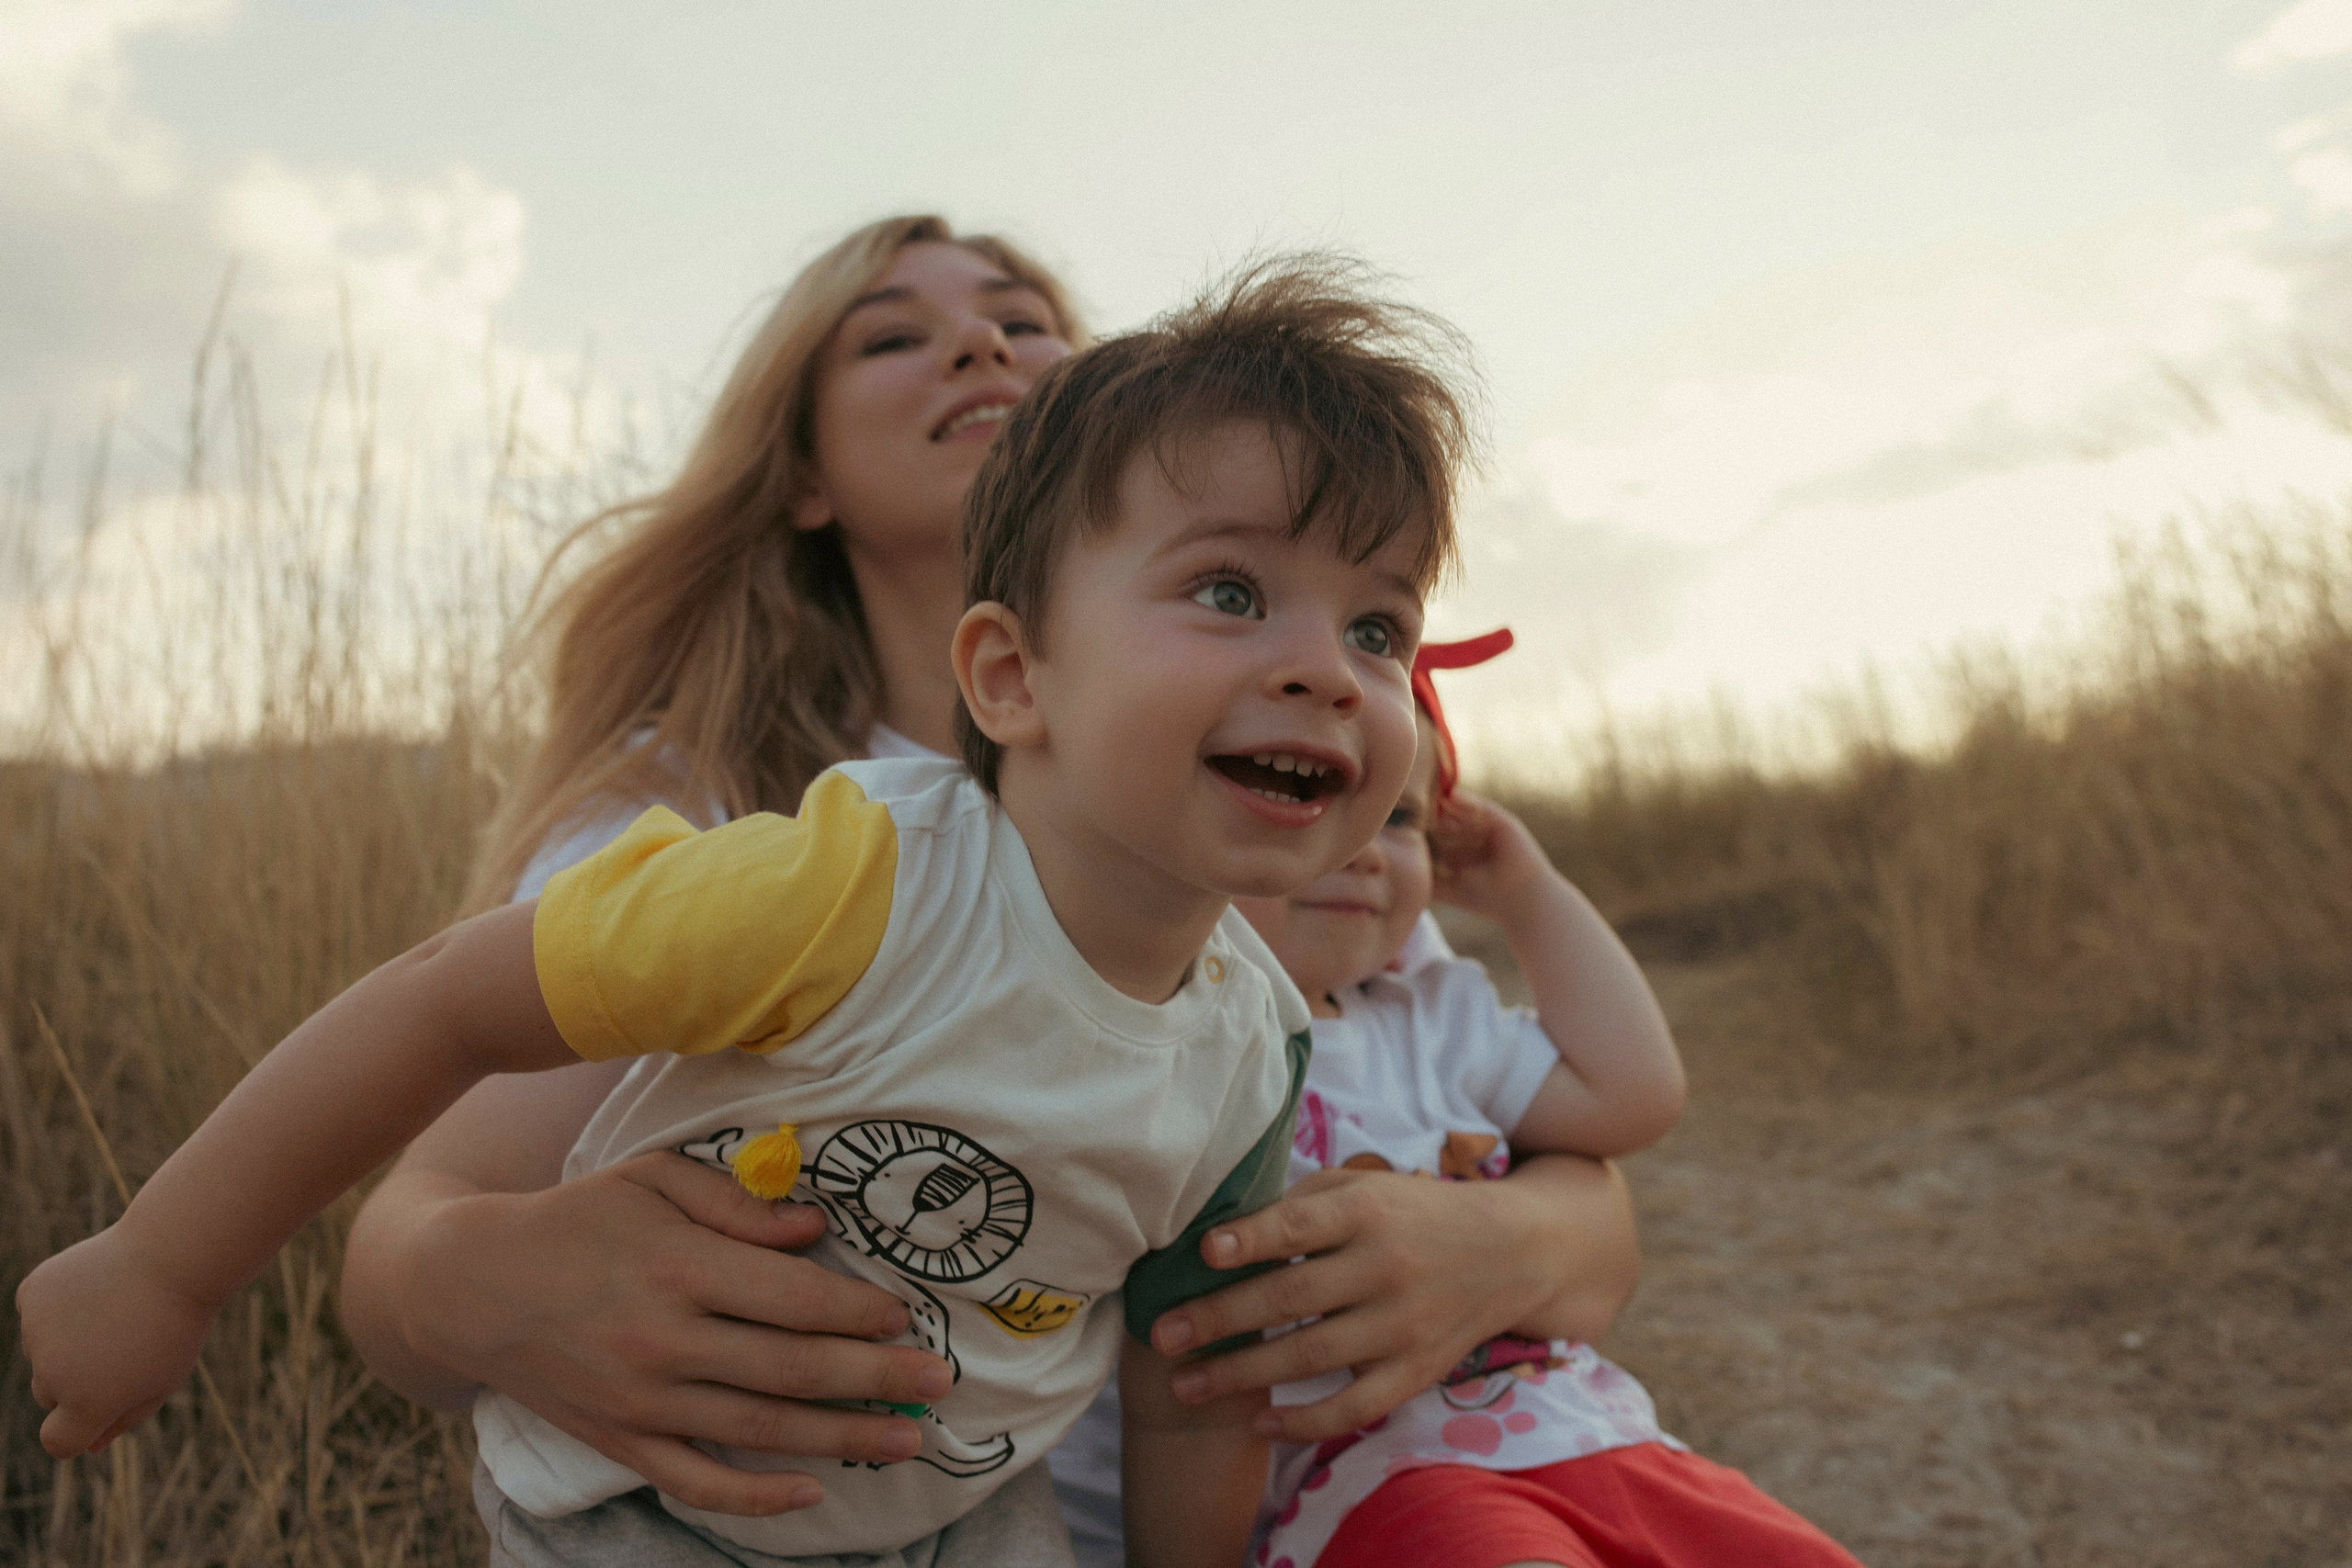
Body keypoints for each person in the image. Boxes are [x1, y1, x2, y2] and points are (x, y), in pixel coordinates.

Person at [17, 258, 1465, 1568]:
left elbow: (1188, 1382)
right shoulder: (830, 874)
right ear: (1013, 674)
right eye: (1230, 588)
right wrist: (162, 1265)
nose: (1329, 669)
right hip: (648, 1507)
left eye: (1378, 627)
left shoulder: (1254, 1038)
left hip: (965, 1509)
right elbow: (449, 1000)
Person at [326, 217, 1639, 1556]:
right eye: (895, 336)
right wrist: (473, 1283)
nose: (979, 342)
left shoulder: (1271, 805)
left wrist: (1507, 1243)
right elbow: (403, 1252)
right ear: (801, 475)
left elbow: (1583, 1191)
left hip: (1405, 1485)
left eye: (1025, 321)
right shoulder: (731, 831)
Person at [1229, 642, 1863, 1568]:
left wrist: (1528, 896)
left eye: (1399, 816)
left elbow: (1633, 1098)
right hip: (1392, 1482)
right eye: (1311, 792)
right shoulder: (1192, 1049)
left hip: (1606, 1437)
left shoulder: (1432, 1019)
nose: (1364, 848)